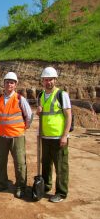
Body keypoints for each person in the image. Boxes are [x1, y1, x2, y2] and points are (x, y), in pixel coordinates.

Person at [0, 72, 33, 198]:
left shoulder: (20, 99)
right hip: (2, 136)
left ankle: (21, 186)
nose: (9, 84)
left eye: (12, 82)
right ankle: (2, 183)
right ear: (4, 83)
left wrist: (22, 128)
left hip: (17, 136)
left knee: (20, 162)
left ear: (15, 85)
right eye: (7, 82)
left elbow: (29, 116)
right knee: (0, 160)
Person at [37, 67, 71, 203]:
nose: (48, 82)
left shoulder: (61, 95)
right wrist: (38, 112)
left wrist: (65, 136)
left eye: (50, 79)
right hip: (45, 137)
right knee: (45, 164)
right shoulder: (40, 96)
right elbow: (42, 116)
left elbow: (68, 116)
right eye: (45, 80)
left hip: (59, 138)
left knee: (61, 166)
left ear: (55, 80)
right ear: (42, 81)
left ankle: (61, 193)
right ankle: (46, 186)